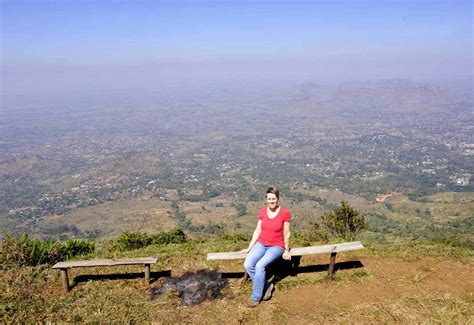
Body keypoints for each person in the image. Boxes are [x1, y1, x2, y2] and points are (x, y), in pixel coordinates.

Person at [241, 186, 291, 307]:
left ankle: (256, 297)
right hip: (262, 243)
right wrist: (249, 247)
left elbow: (286, 233)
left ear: (278, 199)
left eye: (274, 198)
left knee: (260, 266)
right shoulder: (263, 211)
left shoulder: (285, 213)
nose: (271, 201)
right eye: (269, 199)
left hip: (276, 246)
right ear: (266, 200)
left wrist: (286, 249)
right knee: (247, 265)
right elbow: (258, 230)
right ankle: (267, 285)